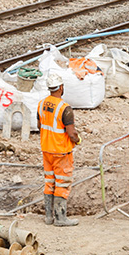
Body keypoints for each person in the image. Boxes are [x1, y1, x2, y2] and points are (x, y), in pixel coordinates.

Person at [37, 71, 80, 227]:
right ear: (61, 87)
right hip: (61, 151)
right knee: (62, 183)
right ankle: (61, 218)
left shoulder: (41, 104)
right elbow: (72, 133)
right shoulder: (65, 108)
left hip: (46, 150)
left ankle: (49, 217)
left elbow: (39, 125)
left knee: (49, 182)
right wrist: (78, 140)